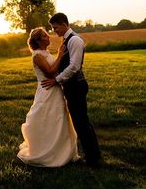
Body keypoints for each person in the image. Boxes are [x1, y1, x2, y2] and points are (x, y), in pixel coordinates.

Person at [41, 13, 102, 167]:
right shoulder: (67, 40)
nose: (54, 31)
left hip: (76, 86)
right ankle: (94, 155)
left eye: (55, 27)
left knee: (81, 123)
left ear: (63, 24)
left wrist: (57, 79)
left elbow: (74, 66)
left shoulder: (74, 40)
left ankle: (93, 159)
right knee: (81, 122)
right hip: (71, 86)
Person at [17, 27, 79, 167]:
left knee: (58, 118)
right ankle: (46, 151)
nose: (49, 37)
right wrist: (60, 55)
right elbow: (50, 72)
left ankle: (62, 150)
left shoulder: (45, 52)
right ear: (38, 41)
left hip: (55, 89)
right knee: (46, 118)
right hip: (46, 91)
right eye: (45, 36)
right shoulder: (38, 55)